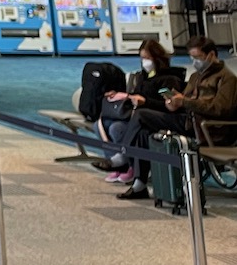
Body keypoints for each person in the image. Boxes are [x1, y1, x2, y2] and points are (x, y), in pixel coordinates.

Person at [116, 35, 237, 200]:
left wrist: (185, 102)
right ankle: (139, 184)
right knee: (143, 132)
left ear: (211, 55)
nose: (195, 61)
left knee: (141, 114)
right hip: (185, 120)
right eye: (192, 57)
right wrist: (172, 103)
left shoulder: (227, 79)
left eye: (198, 57)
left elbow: (221, 109)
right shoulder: (196, 76)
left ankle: (124, 154)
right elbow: (183, 101)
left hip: (205, 128)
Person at [89, 38, 182, 183]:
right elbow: (136, 95)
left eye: (148, 58)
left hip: (152, 118)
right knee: (100, 125)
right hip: (135, 115)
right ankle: (117, 164)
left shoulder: (169, 78)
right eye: (142, 58)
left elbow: (169, 105)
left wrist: (145, 101)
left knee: (116, 128)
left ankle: (127, 163)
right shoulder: (142, 77)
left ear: (157, 58)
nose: (145, 62)